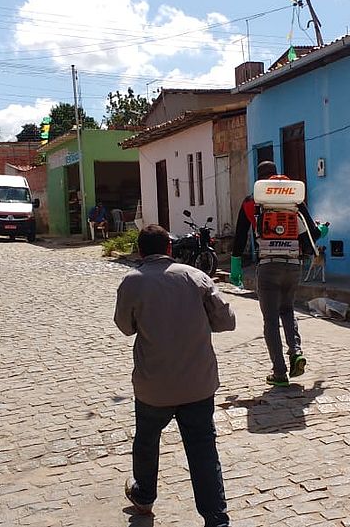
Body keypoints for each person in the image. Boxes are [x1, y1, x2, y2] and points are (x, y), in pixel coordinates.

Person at [114, 225, 235, 526]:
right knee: (203, 450)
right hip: (198, 384)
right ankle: (216, 518)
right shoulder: (196, 277)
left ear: (141, 252)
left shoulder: (132, 282)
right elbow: (226, 321)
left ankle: (144, 497)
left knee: (146, 441)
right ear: (169, 248)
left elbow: (125, 327)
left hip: (153, 386)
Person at [229, 161, 320, 387]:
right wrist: (322, 229)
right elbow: (312, 234)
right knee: (287, 310)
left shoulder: (251, 202)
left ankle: (279, 372)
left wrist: (235, 265)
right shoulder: (294, 199)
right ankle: (296, 352)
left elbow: (240, 237)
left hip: (268, 267)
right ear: (277, 174)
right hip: (293, 266)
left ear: (259, 178)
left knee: (270, 320)